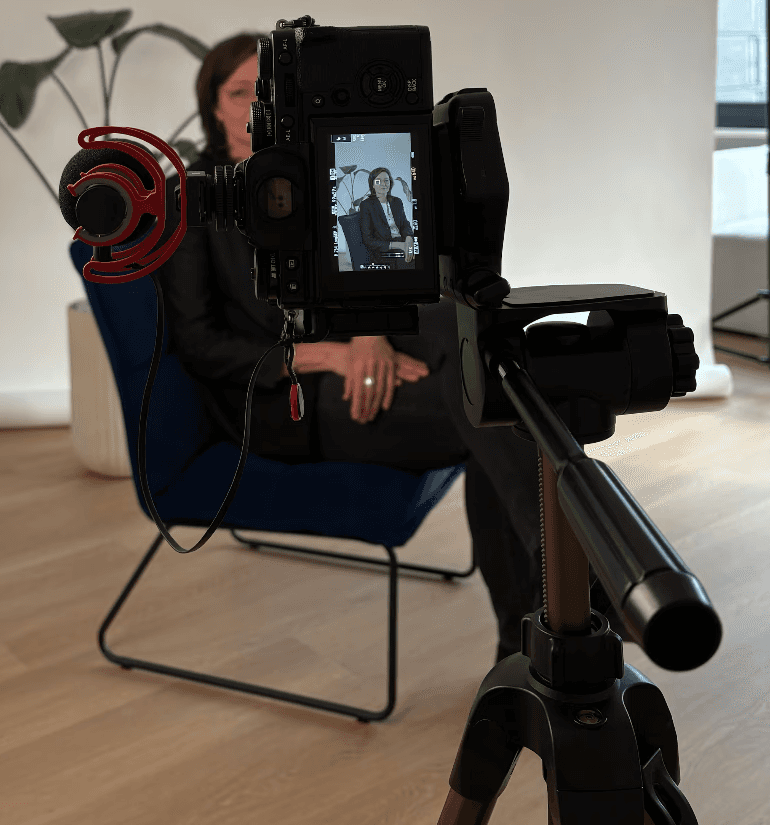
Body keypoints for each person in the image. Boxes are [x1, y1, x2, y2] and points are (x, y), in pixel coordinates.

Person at [159, 32, 603, 664]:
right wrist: (335, 355)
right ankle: (565, 599)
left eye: (265, 91)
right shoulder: (195, 197)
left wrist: (369, 332)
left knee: (462, 328)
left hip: (364, 352)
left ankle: (534, 628)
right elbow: (202, 345)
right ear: (213, 106)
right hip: (286, 397)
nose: (254, 104)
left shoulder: (315, 172)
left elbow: (376, 268)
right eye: (238, 92)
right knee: (495, 410)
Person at [358, 166, 415, 267]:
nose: (383, 184)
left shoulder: (397, 202)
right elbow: (368, 240)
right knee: (410, 259)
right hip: (384, 250)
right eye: (378, 181)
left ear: (390, 183)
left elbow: (405, 225)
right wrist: (399, 245)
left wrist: (409, 239)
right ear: (372, 185)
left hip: (403, 243)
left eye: (386, 180)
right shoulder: (366, 205)